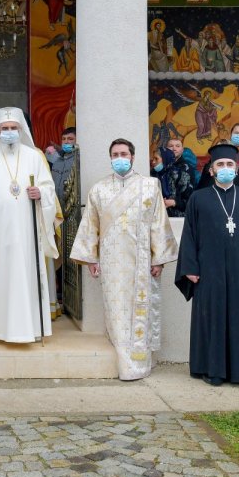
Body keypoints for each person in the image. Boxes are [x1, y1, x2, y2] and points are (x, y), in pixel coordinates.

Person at [71, 139, 179, 380]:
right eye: (115, 154)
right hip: (111, 262)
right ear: (110, 158)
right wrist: (91, 258)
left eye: (123, 153)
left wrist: (158, 259)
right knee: (116, 309)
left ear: (132, 156)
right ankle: (123, 361)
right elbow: (91, 225)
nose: (119, 157)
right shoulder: (98, 189)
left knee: (140, 309)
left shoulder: (150, 186)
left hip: (141, 261)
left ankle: (140, 362)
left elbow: (158, 223)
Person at [175, 144, 239, 385]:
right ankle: (213, 370)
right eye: (220, 165)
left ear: (237, 168)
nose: (225, 168)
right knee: (212, 317)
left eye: (229, 165)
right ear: (211, 170)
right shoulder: (198, 199)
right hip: (209, 273)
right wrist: (189, 267)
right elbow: (189, 235)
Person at [0, 108, 57, 344]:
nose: (9, 132)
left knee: (26, 276)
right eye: (4, 129)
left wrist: (41, 193)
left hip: (27, 231)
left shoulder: (34, 156)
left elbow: (48, 187)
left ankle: (31, 327)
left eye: (13, 128)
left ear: (21, 130)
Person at [160, 140, 195, 218]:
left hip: (180, 215)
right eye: (171, 146)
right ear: (166, 149)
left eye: (177, 146)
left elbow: (190, 199)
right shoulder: (160, 167)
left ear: (182, 150)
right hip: (161, 214)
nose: (174, 148)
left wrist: (174, 202)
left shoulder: (187, 169)